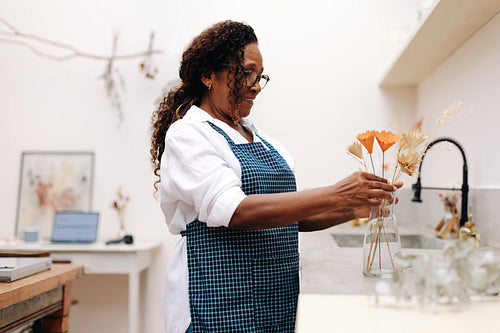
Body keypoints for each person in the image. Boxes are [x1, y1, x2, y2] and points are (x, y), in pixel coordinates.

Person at [150, 20, 401, 333]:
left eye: (259, 76)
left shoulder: (259, 136)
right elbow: (237, 211)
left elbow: (290, 215)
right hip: (217, 301)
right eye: (246, 73)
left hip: (274, 297)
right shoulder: (189, 135)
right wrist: (338, 192)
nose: (255, 85)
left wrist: (355, 209)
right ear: (207, 75)